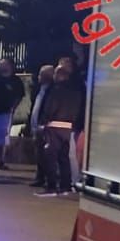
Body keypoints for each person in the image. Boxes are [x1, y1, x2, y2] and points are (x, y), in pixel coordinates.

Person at [36, 63, 85, 198]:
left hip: (54, 125)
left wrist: (43, 122)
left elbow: (50, 107)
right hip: (68, 127)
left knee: (50, 157)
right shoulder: (76, 92)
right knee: (64, 158)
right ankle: (65, 185)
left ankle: (51, 186)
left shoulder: (56, 90)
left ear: (60, 75)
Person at [27, 64, 55, 188]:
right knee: (39, 154)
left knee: (46, 155)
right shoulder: (41, 89)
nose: (38, 77)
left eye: (40, 74)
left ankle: (48, 179)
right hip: (36, 125)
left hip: (44, 127)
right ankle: (40, 177)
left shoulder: (52, 90)